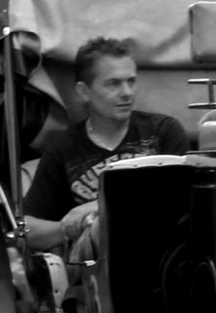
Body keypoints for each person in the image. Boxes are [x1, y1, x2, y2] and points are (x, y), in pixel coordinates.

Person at [23, 37, 187, 257]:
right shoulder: (63, 149)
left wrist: (99, 207)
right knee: (100, 227)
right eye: (113, 84)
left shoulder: (163, 132)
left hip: (165, 257)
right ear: (84, 91)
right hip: (92, 271)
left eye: (131, 81)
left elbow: (181, 200)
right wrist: (69, 228)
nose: (127, 92)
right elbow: (27, 228)